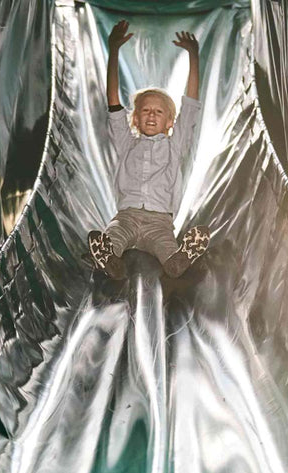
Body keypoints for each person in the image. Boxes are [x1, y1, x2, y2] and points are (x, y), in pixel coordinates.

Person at [87, 21, 210, 280]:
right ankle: (109, 260)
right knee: (112, 235)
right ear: (135, 119)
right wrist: (113, 51)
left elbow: (190, 107)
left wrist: (194, 57)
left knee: (167, 248)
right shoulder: (126, 142)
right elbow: (113, 103)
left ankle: (178, 260)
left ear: (170, 122)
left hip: (160, 222)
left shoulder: (175, 145)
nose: (151, 115)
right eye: (145, 110)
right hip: (127, 217)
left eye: (158, 111)